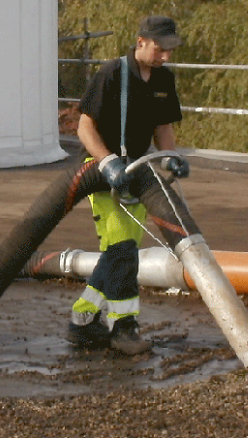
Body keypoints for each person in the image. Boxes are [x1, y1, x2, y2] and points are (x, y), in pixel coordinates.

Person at [68, 15, 190, 354]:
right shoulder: (112, 74)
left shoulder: (164, 79)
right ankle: (124, 329)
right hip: (101, 172)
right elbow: (84, 127)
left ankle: (81, 320)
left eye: (170, 51)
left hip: (136, 171)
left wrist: (169, 157)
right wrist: (107, 162)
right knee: (123, 252)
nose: (165, 56)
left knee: (119, 253)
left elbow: (163, 127)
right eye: (159, 49)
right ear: (140, 42)